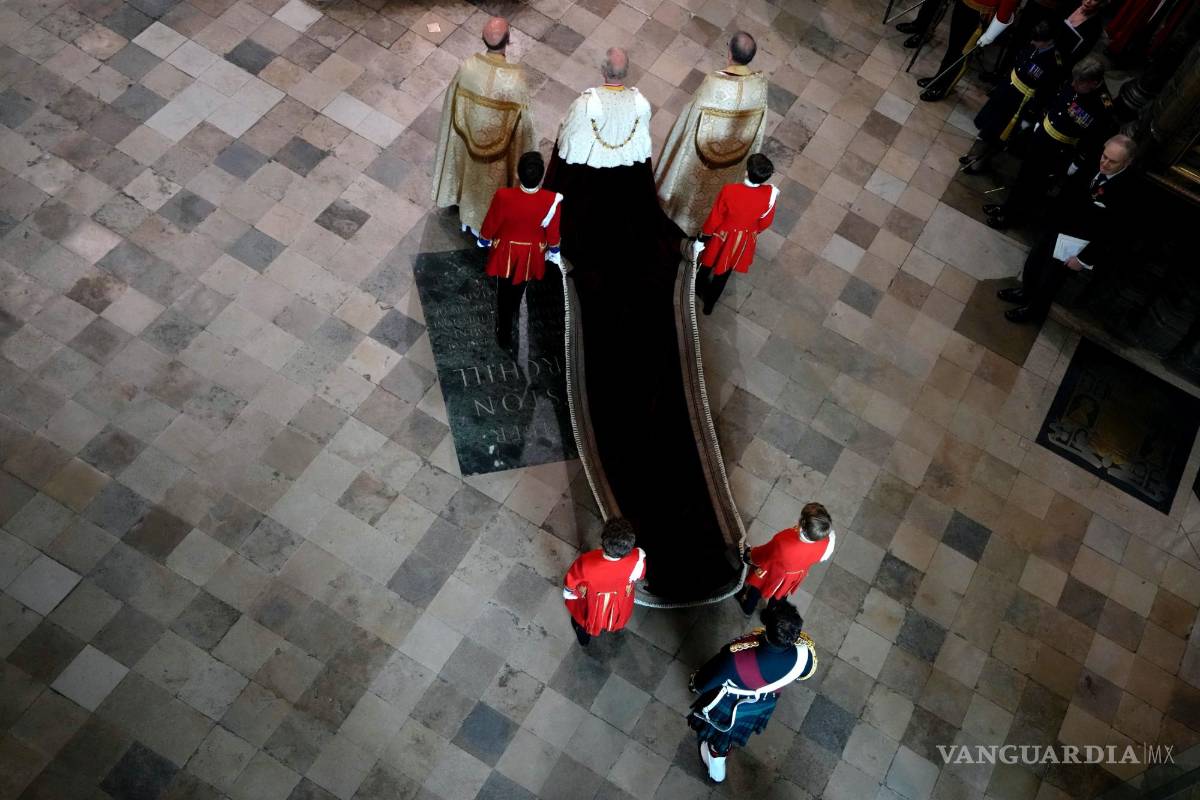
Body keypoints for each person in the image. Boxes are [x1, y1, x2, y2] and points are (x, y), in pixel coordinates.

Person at [544, 48, 672, 273]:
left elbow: (568, 141)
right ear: (626, 72)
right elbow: (642, 142)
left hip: (589, 176)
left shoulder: (586, 104)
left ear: (603, 70)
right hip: (625, 176)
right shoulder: (640, 103)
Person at [998, 134, 1136, 324]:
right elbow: (1068, 192)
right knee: (1033, 264)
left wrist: (1083, 259)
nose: (1104, 164)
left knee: (1050, 281)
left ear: (1127, 163)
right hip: (1056, 225)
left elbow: (1110, 234)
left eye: (1112, 162)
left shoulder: (1127, 191)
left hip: (1075, 244)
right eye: (1104, 157)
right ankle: (1025, 293)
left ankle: (1034, 312)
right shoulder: (1092, 164)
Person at [688, 601, 817, 783]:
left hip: (731, 703)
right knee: (732, 731)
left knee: (721, 733)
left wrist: (695, 683)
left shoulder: (737, 656)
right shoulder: (805, 655)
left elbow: (703, 683)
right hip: (765, 703)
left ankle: (717, 761)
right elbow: (805, 673)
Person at [654, 31, 768, 236]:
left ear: (729, 53)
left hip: (699, 159)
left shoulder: (714, 83)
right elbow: (757, 130)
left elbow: (690, 119)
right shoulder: (759, 87)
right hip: (733, 161)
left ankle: (678, 215)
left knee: (690, 189)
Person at [431, 17, 534, 237]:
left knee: (469, 178)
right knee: (489, 187)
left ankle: (464, 214)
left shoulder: (468, 67)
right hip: (497, 158)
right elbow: (525, 128)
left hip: (468, 146)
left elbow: (451, 106)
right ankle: (483, 226)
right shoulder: (516, 80)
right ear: (509, 40)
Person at [984, 57, 1115, 230]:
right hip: (1042, 136)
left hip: (1058, 150)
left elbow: (1094, 139)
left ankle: (1014, 218)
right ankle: (1007, 208)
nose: (1074, 85)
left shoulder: (1102, 105)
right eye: (1074, 80)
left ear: (1094, 83)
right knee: (1023, 177)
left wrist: (1078, 161)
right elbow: (1057, 100)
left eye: (1080, 83)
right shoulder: (1076, 78)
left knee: (1034, 187)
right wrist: (1040, 119)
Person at [477, 152, 563, 349]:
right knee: (520, 289)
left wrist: (484, 239)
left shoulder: (503, 196)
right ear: (541, 177)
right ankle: (513, 312)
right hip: (531, 254)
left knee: (503, 290)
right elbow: (552, 232)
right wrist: (554, 250)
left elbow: (492, 222)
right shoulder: (551, 201)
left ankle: (504, 331)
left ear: (518, 174)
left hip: (506, 251)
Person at [959, 21, 1064, 174]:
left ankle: (982, 162)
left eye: (1037, 40)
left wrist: (1029, 116)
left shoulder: (1054, 62)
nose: (1032, 42)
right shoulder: (1033, 45)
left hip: (1019, 103)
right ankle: (975, 154)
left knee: (999, 135)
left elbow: (1045, 92)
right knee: (988, 126)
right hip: (1006, 91)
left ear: (1049, 41)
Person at [693, 154, 778, 315]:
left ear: (746, 172)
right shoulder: (769, 194)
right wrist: (752, 231)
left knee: (707, 263)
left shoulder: (729, 190)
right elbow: (765, 222)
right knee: (723, 274)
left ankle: (697, 287)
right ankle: (709, 305)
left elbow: (715, 218)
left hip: (722, 235)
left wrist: (702, 237)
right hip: (743, 239)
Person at [905, 0, 1020, 102]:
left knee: (961, 53)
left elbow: (1008, 6)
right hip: (964, 4)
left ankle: (944, 86)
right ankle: (939, 78)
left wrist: (991, 34)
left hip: (980, 14)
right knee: (953, 46)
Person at [735, 502, 834, 615]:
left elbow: (763, 554)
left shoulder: (783, 540)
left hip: (772, 573)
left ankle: (748, 607)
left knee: (756, 588)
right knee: (780, 595)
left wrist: (750, 555)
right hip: (794, 576)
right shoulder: (827, 541)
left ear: (802, 523)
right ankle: (769, 616)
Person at [562, 517, 646, 646]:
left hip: (594, 601)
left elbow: (571, 581)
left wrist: (569, 592)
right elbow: (640, 575)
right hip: (619, 599)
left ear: (603, 541)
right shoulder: (637, 557)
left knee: (584, 618)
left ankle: (584, 636)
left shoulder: (587, 562)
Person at [1055, 0, 1110, 68]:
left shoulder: (1095, 28)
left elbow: (1075, 57)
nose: (1088, 1)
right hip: (1044, 46)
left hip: (1059, 60)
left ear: (1101, 3)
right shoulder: (1069, 4)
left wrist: (1057, 62)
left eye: (1095, 0)